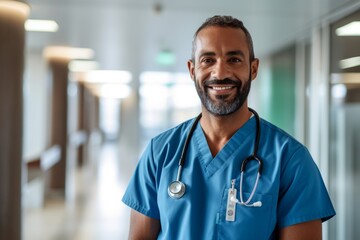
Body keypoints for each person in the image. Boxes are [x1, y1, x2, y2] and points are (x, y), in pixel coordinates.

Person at [122, 15, 335, 239]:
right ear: (192, 70)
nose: (220, 73)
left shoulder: (291, 160)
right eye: (208, 60)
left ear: (253, 69)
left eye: (234, 60)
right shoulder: (160, 152)